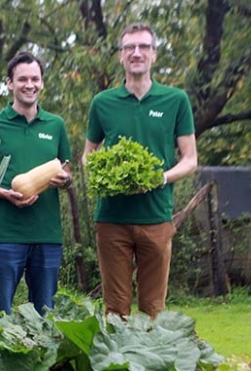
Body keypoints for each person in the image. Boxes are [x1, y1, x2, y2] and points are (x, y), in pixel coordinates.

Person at [83, 23, 197, 318]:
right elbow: (88, 156)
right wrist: (102, 174)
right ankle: (118, 364)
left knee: (153, 309)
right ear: (120, 56)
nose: (136, 53)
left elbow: (189, 159)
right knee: (115, 309)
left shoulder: (175, 100)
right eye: (129, 48)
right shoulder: (102, 103)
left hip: (156, 217)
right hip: (112, 219)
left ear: (154, 55)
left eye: (143, 47)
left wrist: (161, 177)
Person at [0, 52, 72, 321]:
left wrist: (64, 180)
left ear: (42, 83)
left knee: (45, 312)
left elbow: (68, 172)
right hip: (6, 234)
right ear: (10, 83)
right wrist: (3, 193)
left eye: (35, 79)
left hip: (47, 234)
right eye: (22, 79)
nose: (29, 84)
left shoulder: (56, 125)